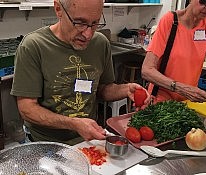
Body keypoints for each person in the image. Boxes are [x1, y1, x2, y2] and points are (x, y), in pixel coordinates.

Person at [10, 0, 150, 145]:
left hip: (88, 140)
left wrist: (126, 89)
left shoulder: (100, 44)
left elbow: (102, 89)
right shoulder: (33, 46)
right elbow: (27, 109)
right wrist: (73, 123)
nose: (88, 34)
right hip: (45, 144)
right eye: (80, 23)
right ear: (58, 9)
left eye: (95, 23)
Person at [141, 0, 206, 103]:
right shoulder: (170, 21)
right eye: (204, 1)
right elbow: (147, 70)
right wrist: (180, 88)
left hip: (188, 102)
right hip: (161, 102)